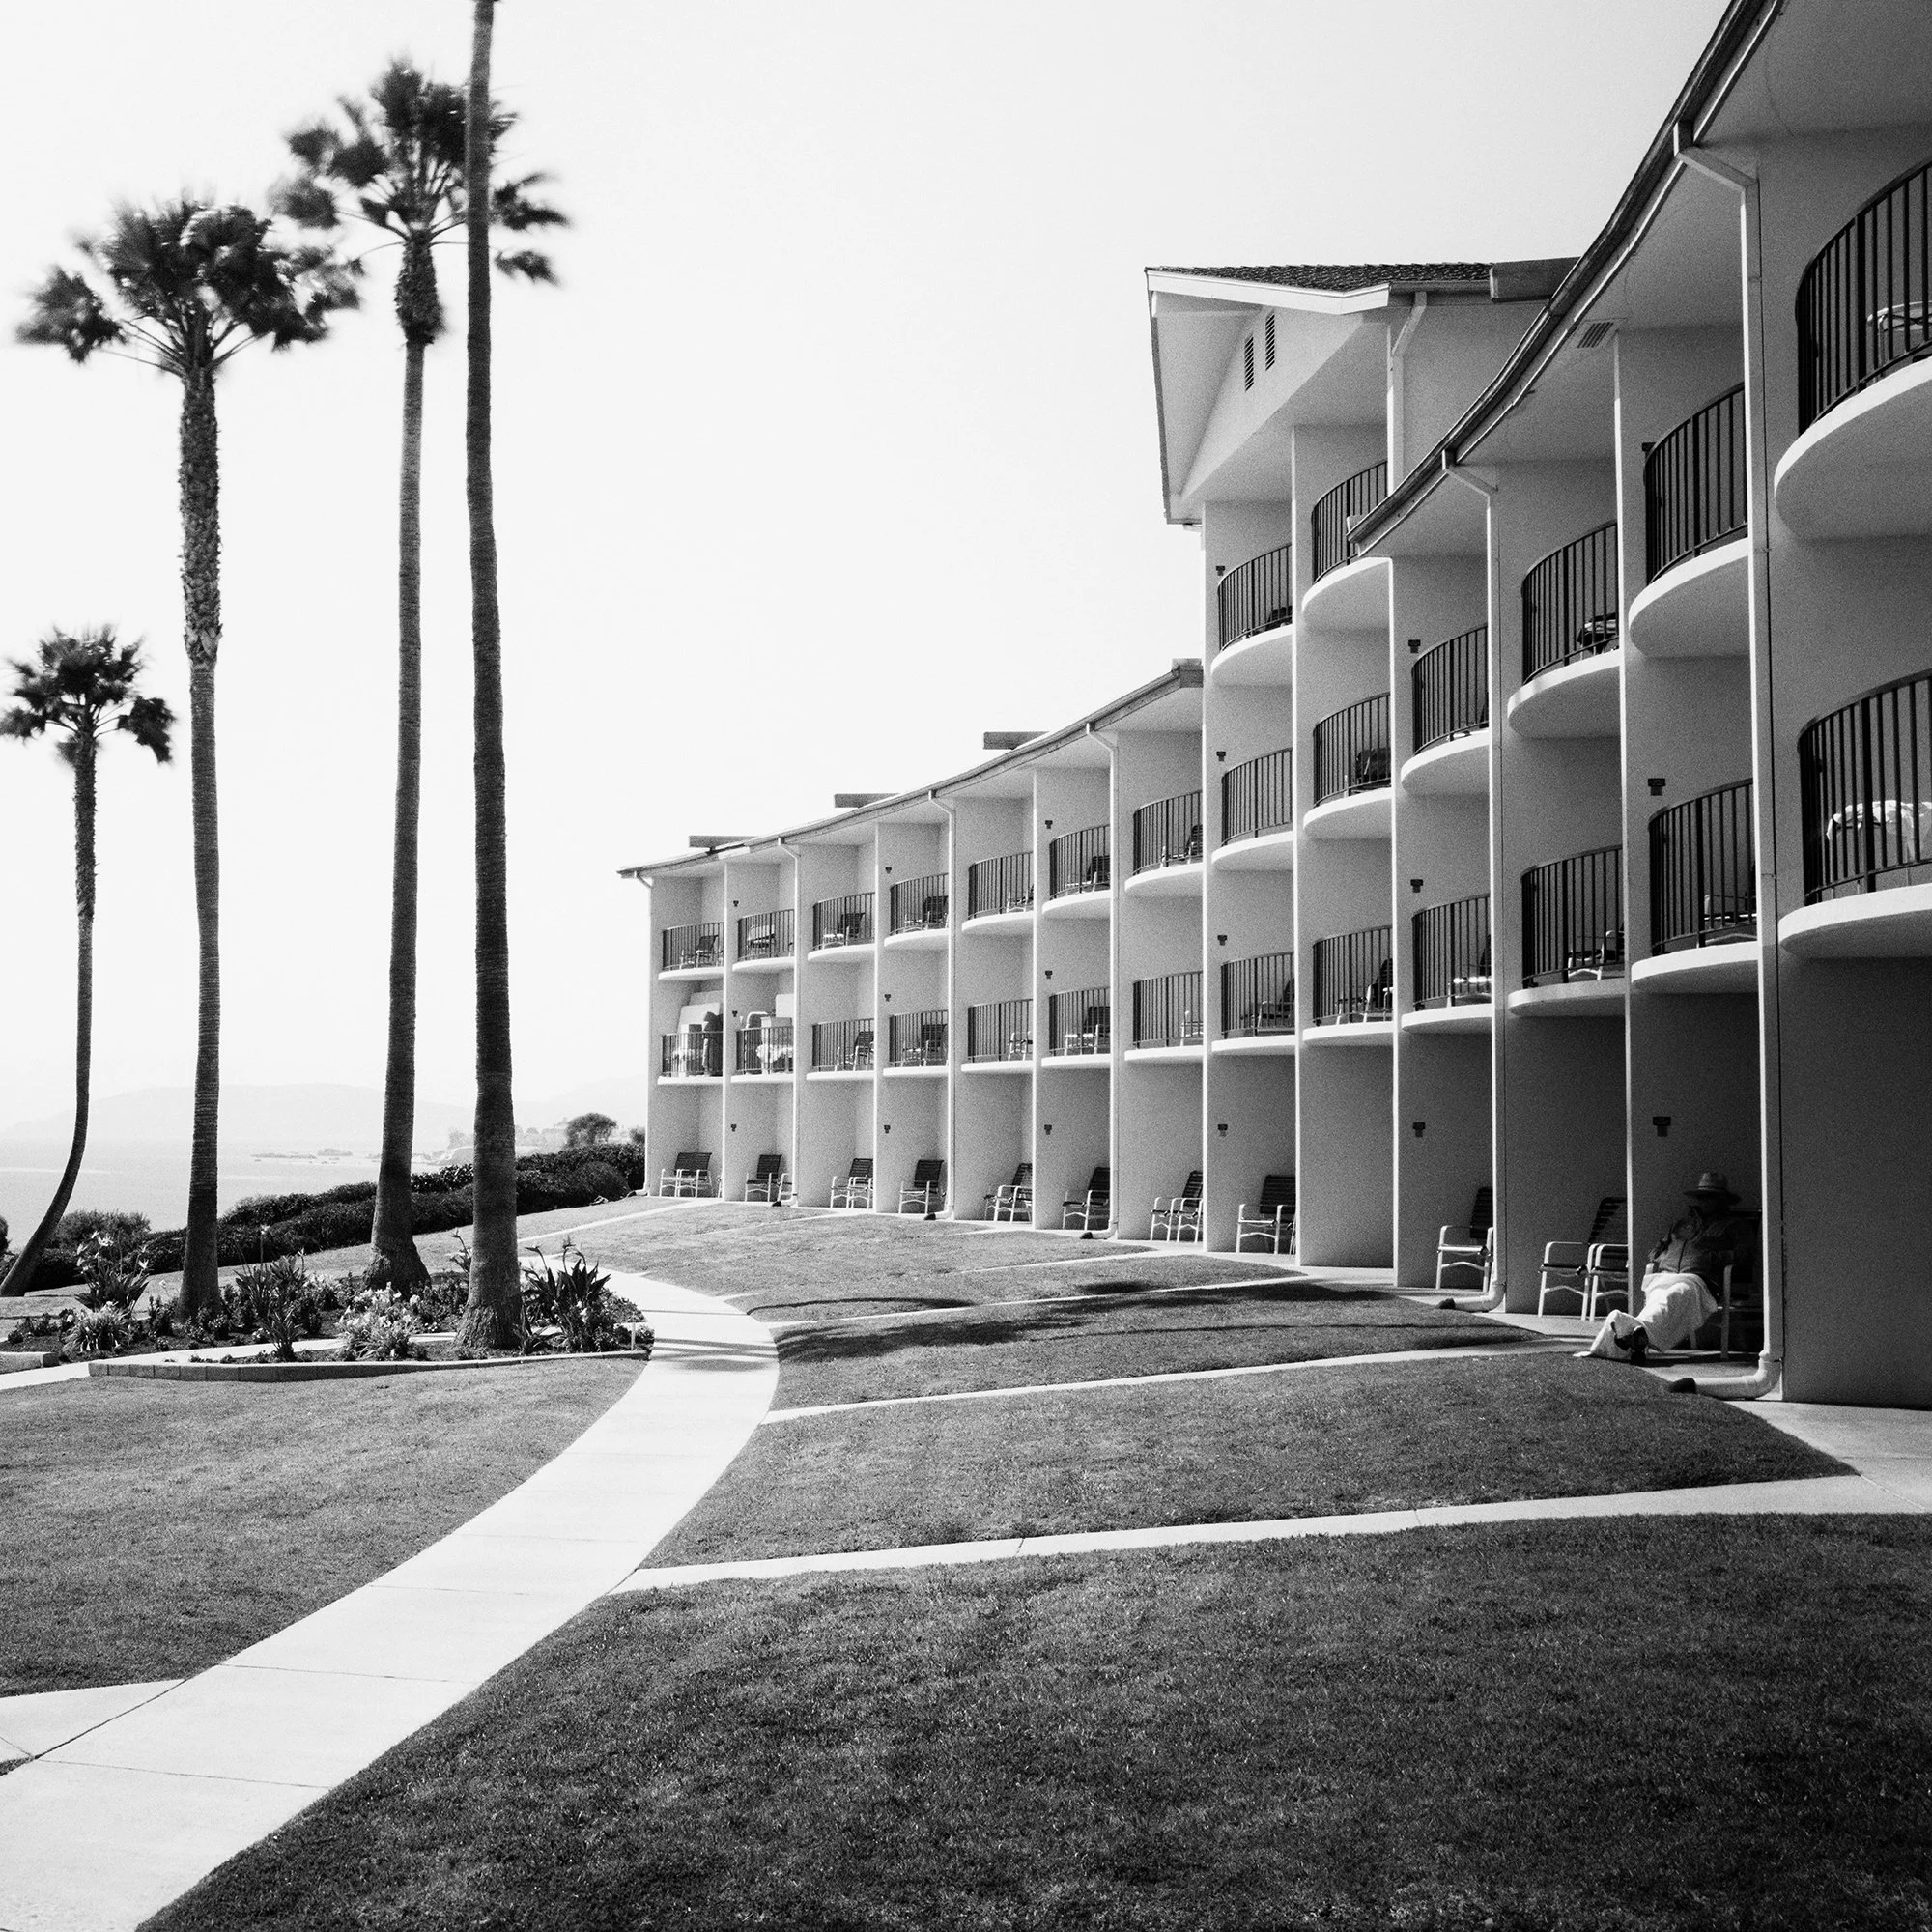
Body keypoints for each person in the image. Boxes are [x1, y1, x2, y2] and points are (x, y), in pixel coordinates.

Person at [1586, 1172, 1753, 1364]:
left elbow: (1746, 1255)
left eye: (1712, 1197)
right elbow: (1655, 1251)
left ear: (1723, 1200)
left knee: (1675, 1295)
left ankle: (1628, 1332)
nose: (1706, 1201)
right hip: (1665, 1275)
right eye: (1703, 1196)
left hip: (1698, 1280)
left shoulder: (1735, 1225)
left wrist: (1709, 1258)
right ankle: (1635, 1336)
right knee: (1659, 1299)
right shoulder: (1682, 1224)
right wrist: (1666, 1256)